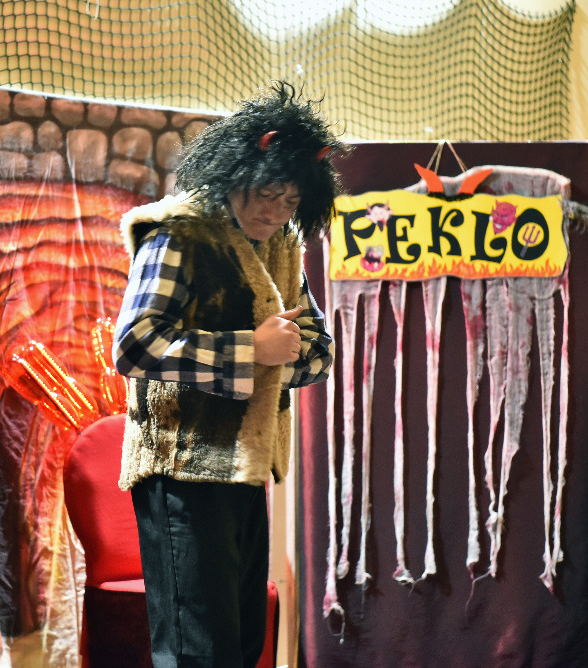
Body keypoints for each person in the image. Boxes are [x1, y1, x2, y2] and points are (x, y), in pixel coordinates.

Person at [112, 81, 345, 667]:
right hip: (181, 470)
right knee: (197, 651)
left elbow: (319, 351)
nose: (274, 211)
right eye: (265, 193)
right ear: (235, 173)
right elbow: (135, 347)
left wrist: (282, 353)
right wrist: (253, 351)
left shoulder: (282, 245)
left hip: (245, 470)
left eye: (290, 201)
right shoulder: (179, 231)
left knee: (240, 645)